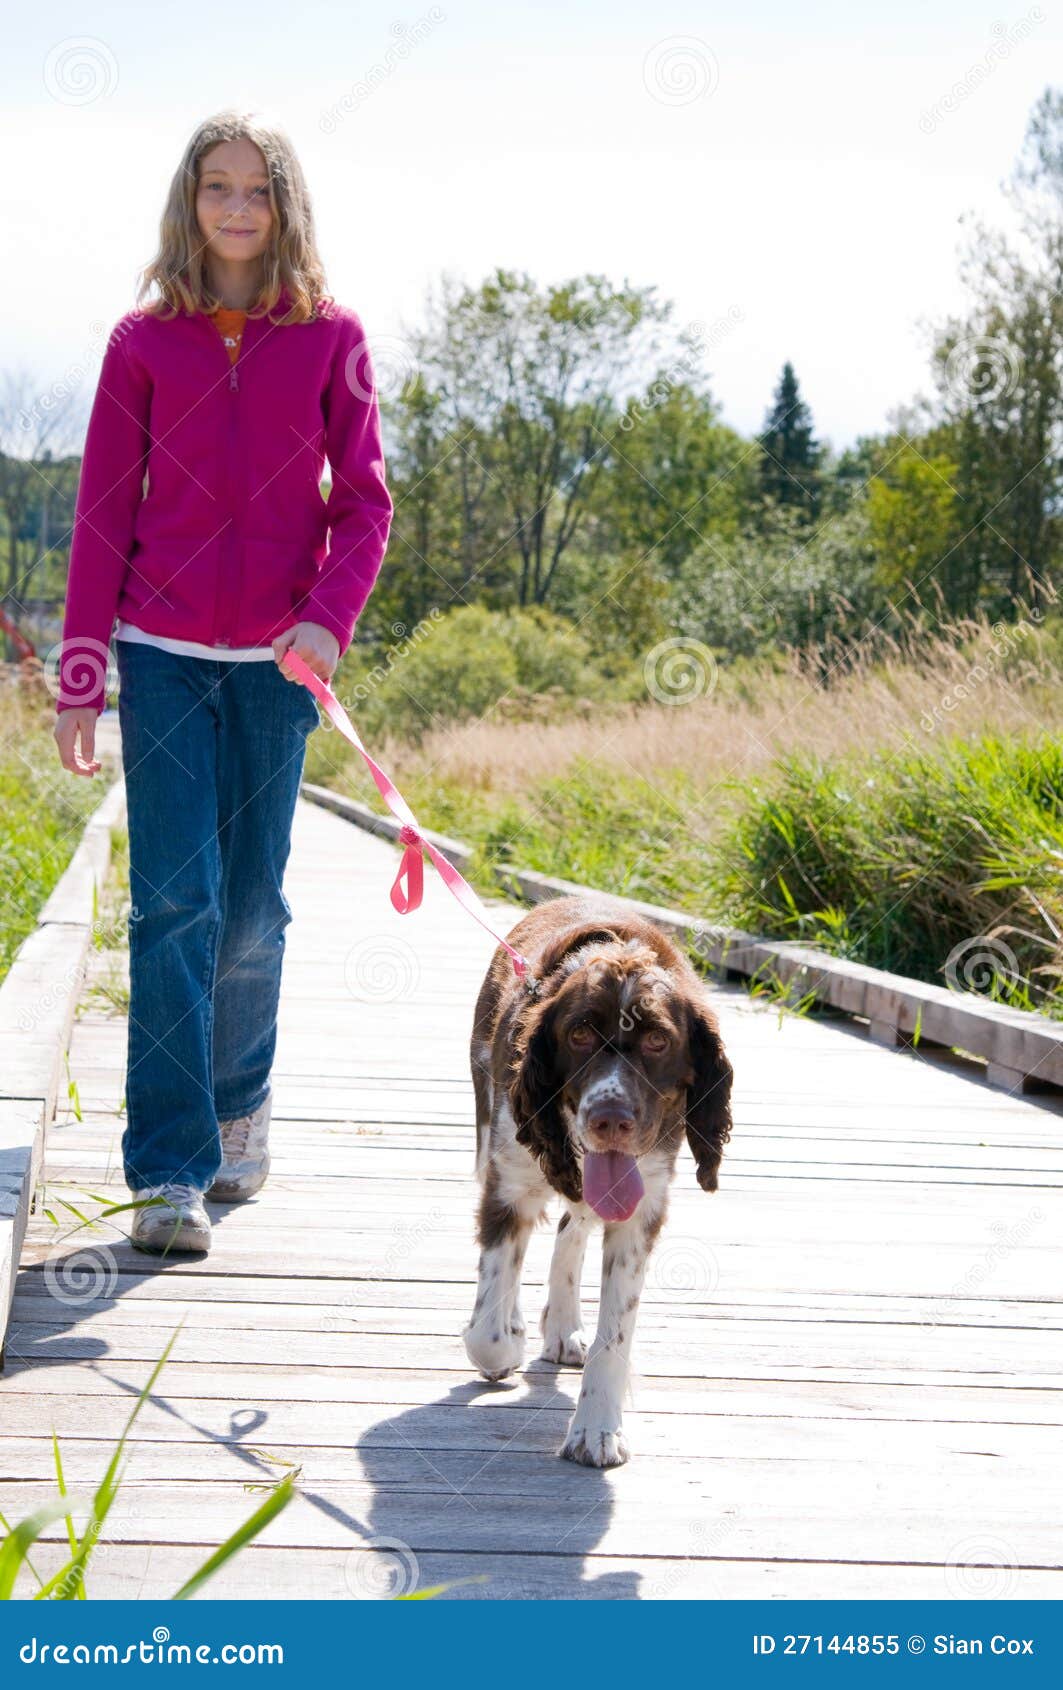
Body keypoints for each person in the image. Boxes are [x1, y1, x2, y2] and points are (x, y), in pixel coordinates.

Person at [52, 110, 393, 1256]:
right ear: (188, 200)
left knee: (253, 910)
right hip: (157, 658)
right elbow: (104, 513)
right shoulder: (143, 340)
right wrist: (81, 673)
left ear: (286, 204)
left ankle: (241, 1102)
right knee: (176, 905)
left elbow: (366, 505)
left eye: (258, 189)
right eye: (217, 187)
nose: (237, 208)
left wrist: (326, 625)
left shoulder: (332, 336)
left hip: (276, 669)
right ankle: (167, 1168)